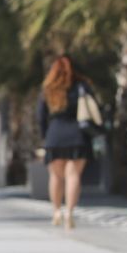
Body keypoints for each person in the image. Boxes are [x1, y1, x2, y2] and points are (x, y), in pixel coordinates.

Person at [38, 54, 94, 229]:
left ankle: (56, 211)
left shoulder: (48, 88)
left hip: (54, 135)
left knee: (55, 176)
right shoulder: (81, 86)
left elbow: (40, 116)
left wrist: (44, 137)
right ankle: (69, 212)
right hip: (77, 134)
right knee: (73, 175)